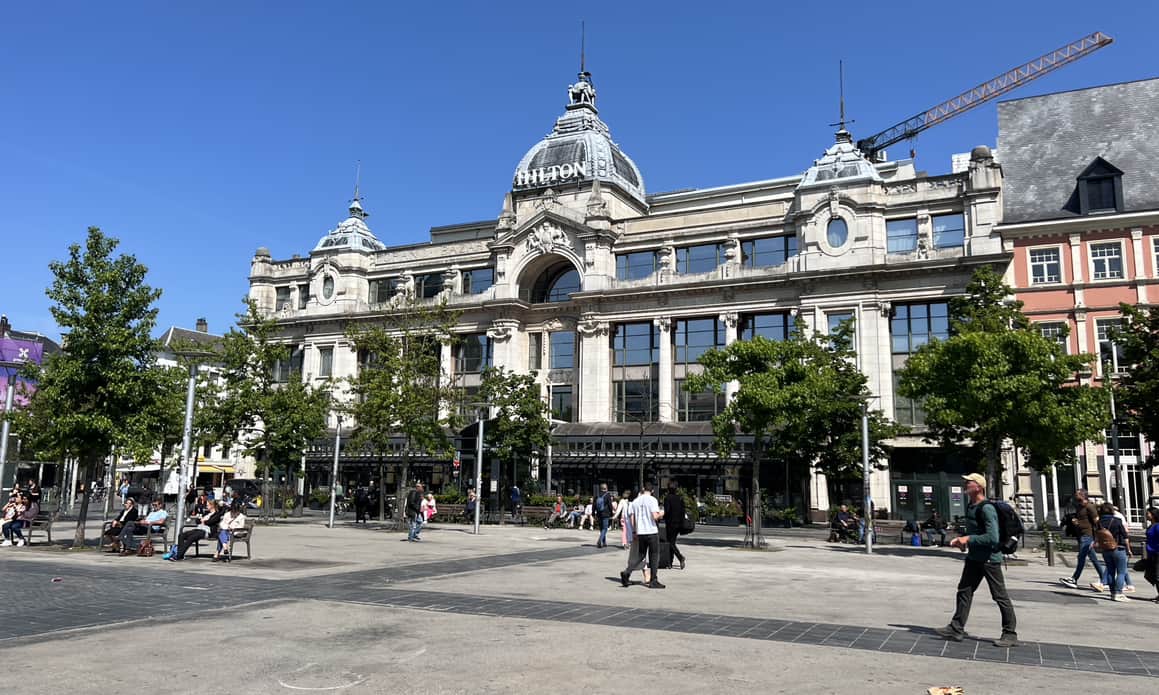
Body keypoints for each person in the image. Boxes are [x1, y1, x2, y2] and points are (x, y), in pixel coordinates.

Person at [934, 473, 1018, 648]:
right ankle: (956, 628)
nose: (965, 484)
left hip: (989, 559)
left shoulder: (986, 508)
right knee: (964, 590)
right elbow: (975, 532)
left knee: (999, 596)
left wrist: (968, 539)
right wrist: (964, 542)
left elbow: (992, 538)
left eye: (969, 482)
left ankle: (1010, 633)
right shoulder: (971, 506)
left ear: (978, 487)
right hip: (974, 558)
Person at [1059, 489, 1106, 592]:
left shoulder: (1090, 507)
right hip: (1081, 535)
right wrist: (1076, 522)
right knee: (1093, 559)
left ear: (1083, 495)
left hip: (1087, 536)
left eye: (1077, 494)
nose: (1075, 496)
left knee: (1081, 557)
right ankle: (1104, 579)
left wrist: (1097, 538)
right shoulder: (1079, 507)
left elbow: (1097, 522)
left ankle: (1074, 579)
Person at [620, 482, 665, 589]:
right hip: (651, 531)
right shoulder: (652, 500)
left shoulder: (636, 501)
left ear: (643, 489)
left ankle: (627, 571)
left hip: (641, 532)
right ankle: (653, 580)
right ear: (652, 491)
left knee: (641, 555)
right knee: (654, 555)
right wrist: (662, 512)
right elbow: (655, 516)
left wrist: (634, 531)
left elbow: (632, 518)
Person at [1097, 502, 1131, 602]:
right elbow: (1125, 536)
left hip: (1106, 549)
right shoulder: (1117, 521)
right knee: (1121, 572)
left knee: (1110, 571)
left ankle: (1112, 593)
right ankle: (1118, 593)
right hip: (1118, 548)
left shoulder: (1099, 522)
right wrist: (1128, 549)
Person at [1110, 506, 1136, 593]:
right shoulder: (1117, 519)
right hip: (1119, 546)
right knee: (1122, 569)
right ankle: (1127, 585)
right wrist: (1129, 549)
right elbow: (1125, 536)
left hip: (1112, 547)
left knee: (1116, 570)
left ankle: (1111, 587)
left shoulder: (1114, 519)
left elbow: (1125, 535)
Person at [663, 482, 687, 570]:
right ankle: (670, 562)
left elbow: (667, 511)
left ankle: (680, 557)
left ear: (668, 489)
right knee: (672, 542)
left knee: (670, 543)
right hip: (679, 524)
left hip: (670, 523)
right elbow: (683, 511)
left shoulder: (667, 498)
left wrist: (663, 517)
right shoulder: (680, 498)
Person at [1144, 507, 1159, 604]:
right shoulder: (1151, 526)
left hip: (1157, 553)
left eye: (1148, 513)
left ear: (1153, 515)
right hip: (1151, 553)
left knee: (1157, 576)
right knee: (1149, 575)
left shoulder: (1157, 526)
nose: (1146, 515)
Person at [595, 484, 615, 548]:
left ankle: (604, 542)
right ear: (606, 488)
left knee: (601, 528)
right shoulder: (607, 495)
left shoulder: (597, 495)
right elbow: (610, 505)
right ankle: (600, 540)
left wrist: (593, 513)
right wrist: (611, 513)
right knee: (605, 528)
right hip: (606, 513)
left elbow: (594, 505)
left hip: (599, 513)